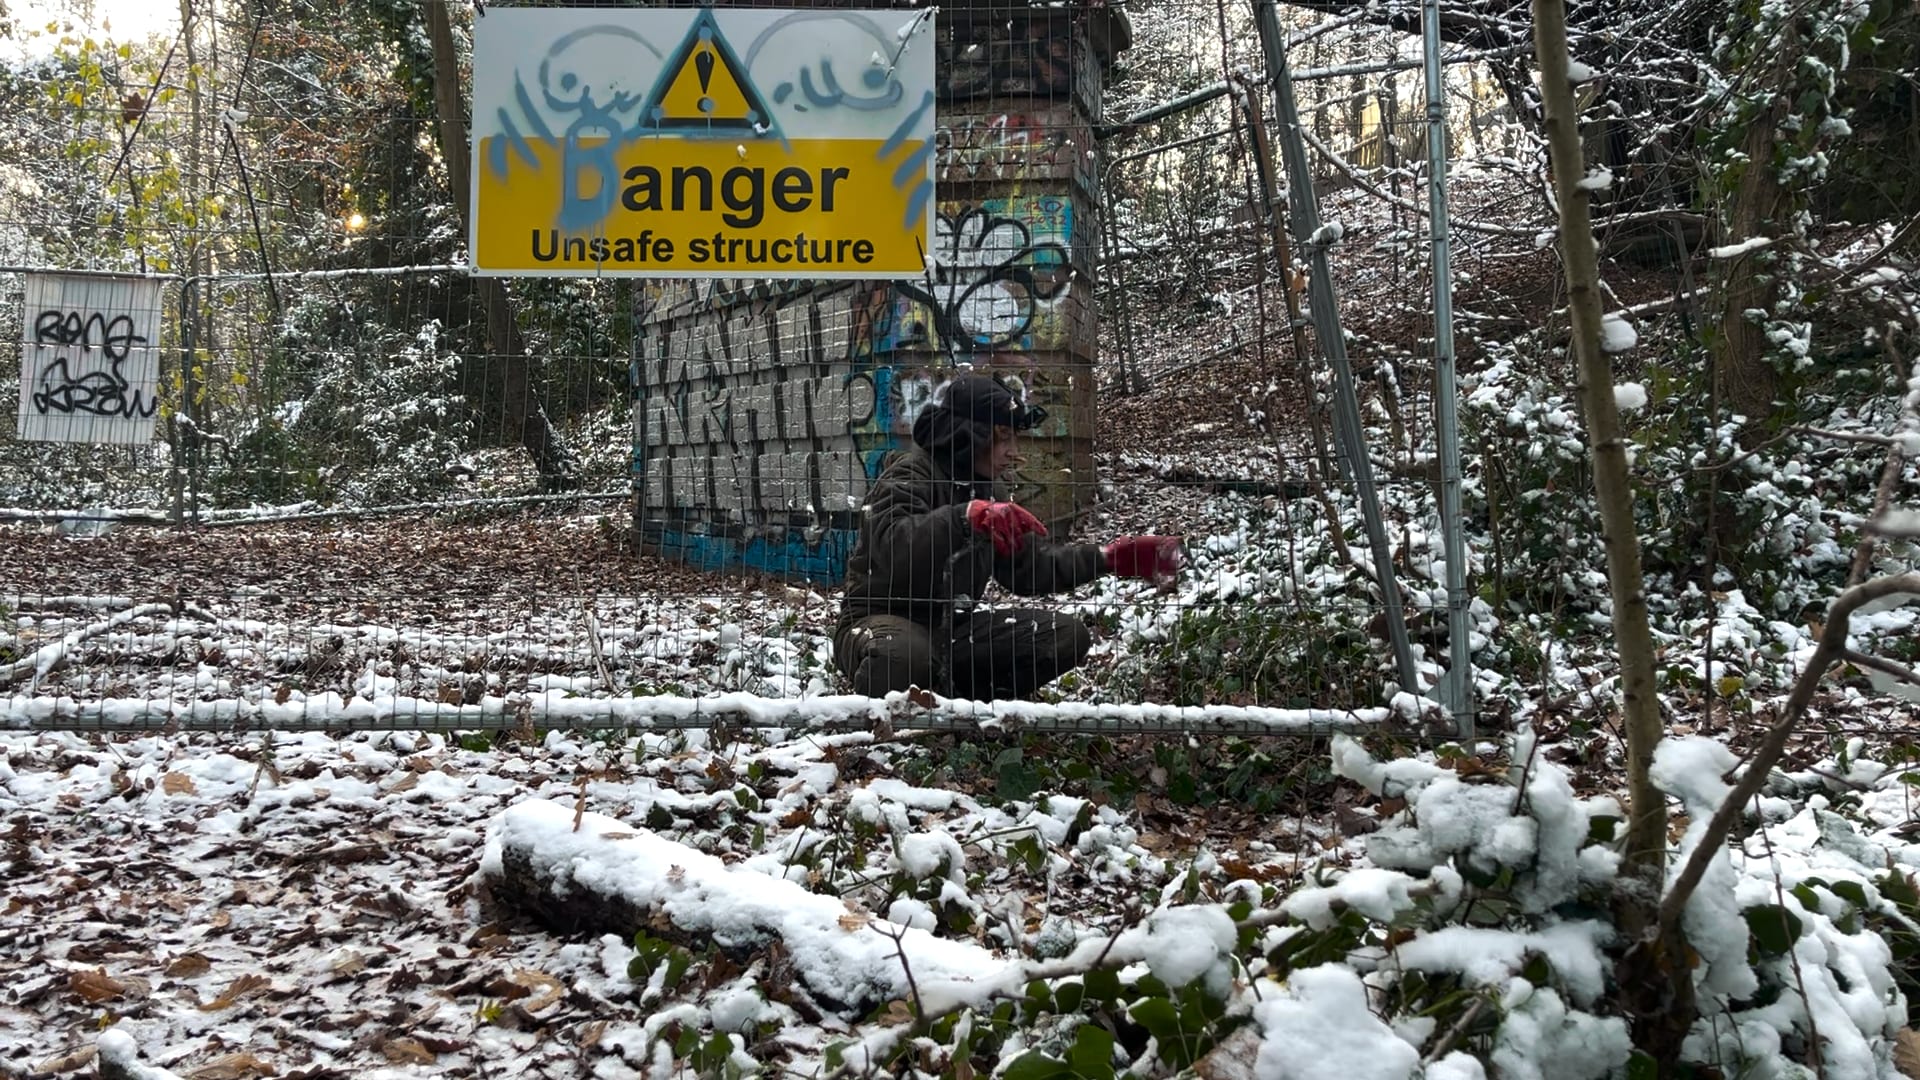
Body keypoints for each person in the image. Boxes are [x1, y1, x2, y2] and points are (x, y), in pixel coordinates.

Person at [834, 372, 1183, 701]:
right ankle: (882, 732)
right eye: (1004, 437)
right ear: (968, 433)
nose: (1014, 451)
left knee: (1064, 636)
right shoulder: (911, 473)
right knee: (905, 656)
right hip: (875, 621)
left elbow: (1027, 569)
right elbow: (893, 548)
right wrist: (964, 518)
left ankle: (972, 712)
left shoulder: (989, 490)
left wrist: (1107, 557)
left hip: (952, 630)